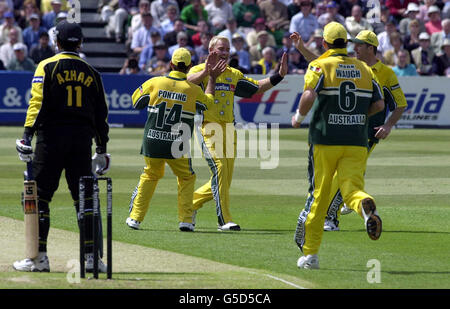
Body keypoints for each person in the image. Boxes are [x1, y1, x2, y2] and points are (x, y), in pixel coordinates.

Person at [13, 20, 110, 273]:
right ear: (80, 42)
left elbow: (37, 104)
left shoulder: (46, 66)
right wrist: (101, 148)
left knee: (39, 197)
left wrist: (26, 135)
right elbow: (101, 115)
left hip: (51, 139)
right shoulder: (92, 72)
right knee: (85, 199)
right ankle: (91, 259)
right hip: (81, 141)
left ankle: (38, 258)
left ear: (56, 42)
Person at [290, 22, 385, 269]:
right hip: (356, 141)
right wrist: (358, 118)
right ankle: (365, 207)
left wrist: (298, 118)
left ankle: (310, 255)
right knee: (352, 189)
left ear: (325, 43)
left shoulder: (320, 65)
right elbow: (379, 105)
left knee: (319, 196)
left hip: (326, 140)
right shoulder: (364, 68)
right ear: (347, 44)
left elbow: (309, 93)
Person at [186, 36, 288, 231]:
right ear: (210, 49)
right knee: (220, 169)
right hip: (208, 126)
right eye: (220, 48)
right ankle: (224, 220)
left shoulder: (233, 74)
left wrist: (279, 75)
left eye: (227, 49)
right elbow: (188, 82)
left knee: (223, 179)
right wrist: (209, 72)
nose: (224, 52)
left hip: (229, 129)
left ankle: (188, 206)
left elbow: (256, 88)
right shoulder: (199, 69)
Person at [125, 48, 226, 231]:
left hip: (153, 139)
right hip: (177, 144)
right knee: (187, 177)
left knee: (150, 175)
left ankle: (135, 218)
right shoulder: (192, 89)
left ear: (171, 64)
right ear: (189, 67)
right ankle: (186, 220)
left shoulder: (155, 82)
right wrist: (211, 78)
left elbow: (136, 101)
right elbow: (208, 103)